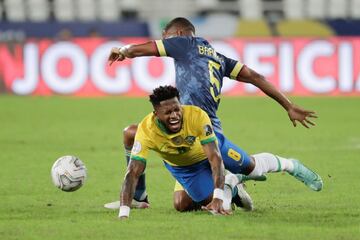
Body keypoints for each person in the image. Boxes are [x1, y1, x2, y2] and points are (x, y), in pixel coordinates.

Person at [107, 17, 323, 210]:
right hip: (181, 133)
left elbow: (142, 49)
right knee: (180, 202)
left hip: (202, 131)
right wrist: (288, 105)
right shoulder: (218, 58)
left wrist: (122, 50)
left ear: (180, 34)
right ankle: (139, 196)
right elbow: (255, 76)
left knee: (253, 169)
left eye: (168, 38)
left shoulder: (184, 43)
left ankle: (283, 167)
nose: (167, 43)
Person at [118, 85, 252, 219]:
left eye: (177, 109)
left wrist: (218, 196)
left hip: (207, 152)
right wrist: (124, 213)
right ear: (156, 114)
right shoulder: (147, 130)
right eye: (168, 112)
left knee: (250, 167)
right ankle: (231, 187)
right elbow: (133, 173)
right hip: (185, 166)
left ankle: (228, 183)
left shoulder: (194, 115)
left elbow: (215, 157)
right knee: (181, 204)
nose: (174, 115)